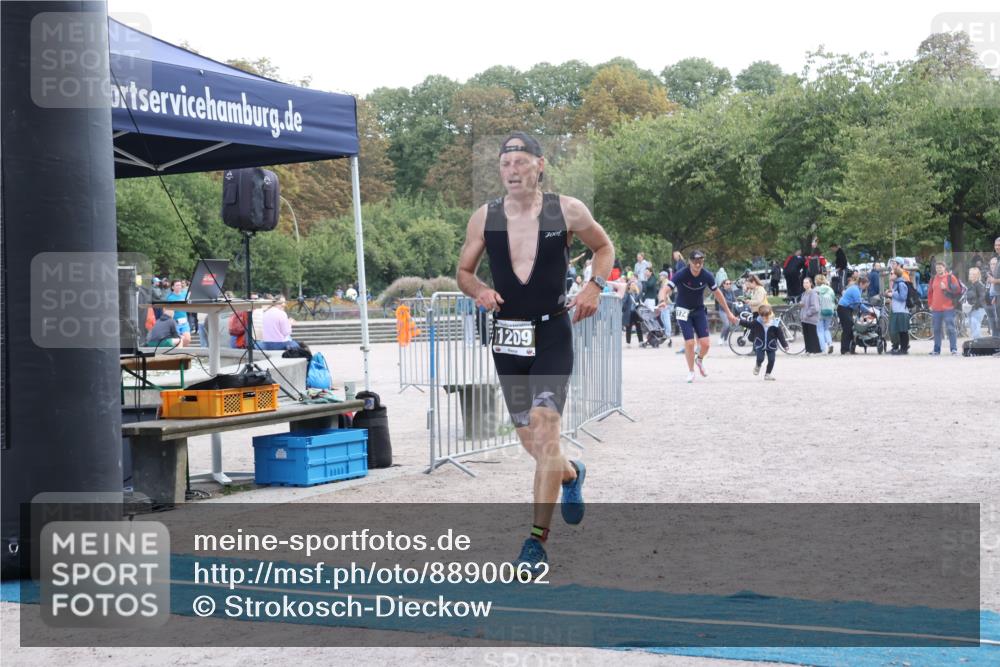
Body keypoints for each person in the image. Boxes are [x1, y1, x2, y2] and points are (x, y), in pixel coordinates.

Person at [456, 131, 614, 574]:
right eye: (506, 165)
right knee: (534, 443)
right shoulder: (485, 217)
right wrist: (481, 290)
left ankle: (536, 543)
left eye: (521, 162)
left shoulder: (566, 210)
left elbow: (603, 247)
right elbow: (464, 272)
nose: (513, 171)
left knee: (546, 429)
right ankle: (570, 473)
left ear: (539, 165)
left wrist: (594, 286)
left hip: (551, 334)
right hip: (508, 341)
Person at [666, 249, 739, 383]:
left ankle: (699, 360)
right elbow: (666, 288)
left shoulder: (707, 275)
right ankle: (691, 371)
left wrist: (728, 312)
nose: (697, 264)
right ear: (689, 262)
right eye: (695, 262)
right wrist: (662, 300)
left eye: (700, 262)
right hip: (683, 310)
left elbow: (718, 294)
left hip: (698, 310)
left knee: (705, 344)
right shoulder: (681, 274)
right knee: (689, 343)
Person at [926, 261, 961, 355]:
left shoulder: (950, 277)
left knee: (951, 328)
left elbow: (958, 290)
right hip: (936, 309)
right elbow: (930, 293)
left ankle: (954, 349)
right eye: (937, 267)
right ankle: (936, 350)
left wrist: (946, 288)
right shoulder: (933, 279)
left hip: (948, 307)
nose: (938, 269)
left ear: (944, 268)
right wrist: (930, 304)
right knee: (936, 329)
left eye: (940, 267)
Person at [749, 304, 789, 381]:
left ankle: (767, 374)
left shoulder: (775, 324)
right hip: (760, 344)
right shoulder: (756, 322)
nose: (764, 318)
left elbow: (780, 336)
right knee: (760, 358)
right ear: (760, 315)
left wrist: (785, 345)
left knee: (771, 360)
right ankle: (758, 365)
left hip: (771, 345)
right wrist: (738, 321)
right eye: (762, 316)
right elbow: (749, 325)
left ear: (770, 314)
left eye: (766, 316)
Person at [836, 275, 869, 354]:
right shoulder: (855, 290)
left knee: (851, 327)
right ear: (861, 283)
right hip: (843, 308)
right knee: (847, 328)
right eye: (865, 285)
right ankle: (844, 349)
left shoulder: (858, 289)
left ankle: (850, 349)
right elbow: (859, 304)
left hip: (847, 308)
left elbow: (860, 301)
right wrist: (868, 310)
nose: (866, 288)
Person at [887, 267, 911, 354]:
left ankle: (904, 349)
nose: (890, 275)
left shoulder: (901, 284)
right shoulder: (896, 283)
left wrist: (892, 294)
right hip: (897, 310)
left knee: (903, 330)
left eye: (892, 273)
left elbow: (903, 297)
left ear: (896, 275)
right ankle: (900, 348)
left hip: (902, 311)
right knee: (898, 330)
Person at [814, 274, 837, 354]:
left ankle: (822, 349)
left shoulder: (816, 290)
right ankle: (830, 343)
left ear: (816, 281)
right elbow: (834, 299)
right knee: (826, 329)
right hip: (829, 311)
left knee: (820, 330)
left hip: (820, 312)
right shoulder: (830, 289)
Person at [165, 279, 191, 346]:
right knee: (178, 341)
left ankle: (183, 352)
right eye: (177, 285)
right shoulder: (170, 298)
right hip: (175, 322)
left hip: (184, 321)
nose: (179, 286)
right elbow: (167, 311)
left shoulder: (185, 294)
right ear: (173, 287)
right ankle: (179, 353)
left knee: (187, 339)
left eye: (180, 285)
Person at [799, 277, 822, 354]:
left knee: (812, 334)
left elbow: (815, 307)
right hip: (804, 318)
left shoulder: (813, 294)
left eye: (807, 282)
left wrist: (807, 313)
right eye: (804, 283)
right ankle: (808, 349)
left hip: (811, 318)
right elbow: (804, 304)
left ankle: (815, 350)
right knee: (806, 335)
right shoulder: (803, 294)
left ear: (811, 283)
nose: (805, 284)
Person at [964, 267, 988, 340]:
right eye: (970, 274)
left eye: (974, 274)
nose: (971, 275)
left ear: (978, 275)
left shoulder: (979, 285)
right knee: (973, 329)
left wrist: (974, 305)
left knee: (976, 330)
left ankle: (979, 347)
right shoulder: (971, 285)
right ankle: (976, 346)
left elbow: (982, 297)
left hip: (978, 309)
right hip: (971, 309)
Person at [717, 278, 737, 343]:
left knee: (729, 326)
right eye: (727, 284)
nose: (728, 285)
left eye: (730, 283)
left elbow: (734, 299)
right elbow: (723, 301)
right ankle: (720, 338)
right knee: (726, 324)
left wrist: (737, 302)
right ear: (723, 284)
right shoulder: (721, 291)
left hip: (730, 310)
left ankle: (725, 339)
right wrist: (732, 303)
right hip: (723, 310)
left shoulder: (731, 291)